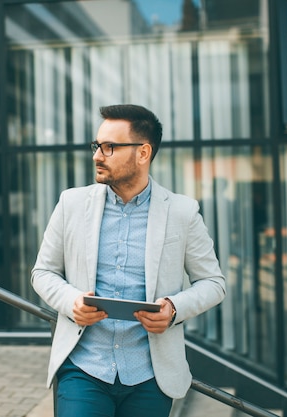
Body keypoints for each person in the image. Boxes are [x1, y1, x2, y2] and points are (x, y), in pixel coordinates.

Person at [31, 104, 226, 417]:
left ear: (143, 152)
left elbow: (214, 283)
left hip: (150, 375)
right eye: (97, 146)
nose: (97, 155)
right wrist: (72, 302)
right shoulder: (71, 203)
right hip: (84, 368)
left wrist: (174, 309)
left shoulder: (182, 212)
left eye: (110, 147)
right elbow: (43, 272)